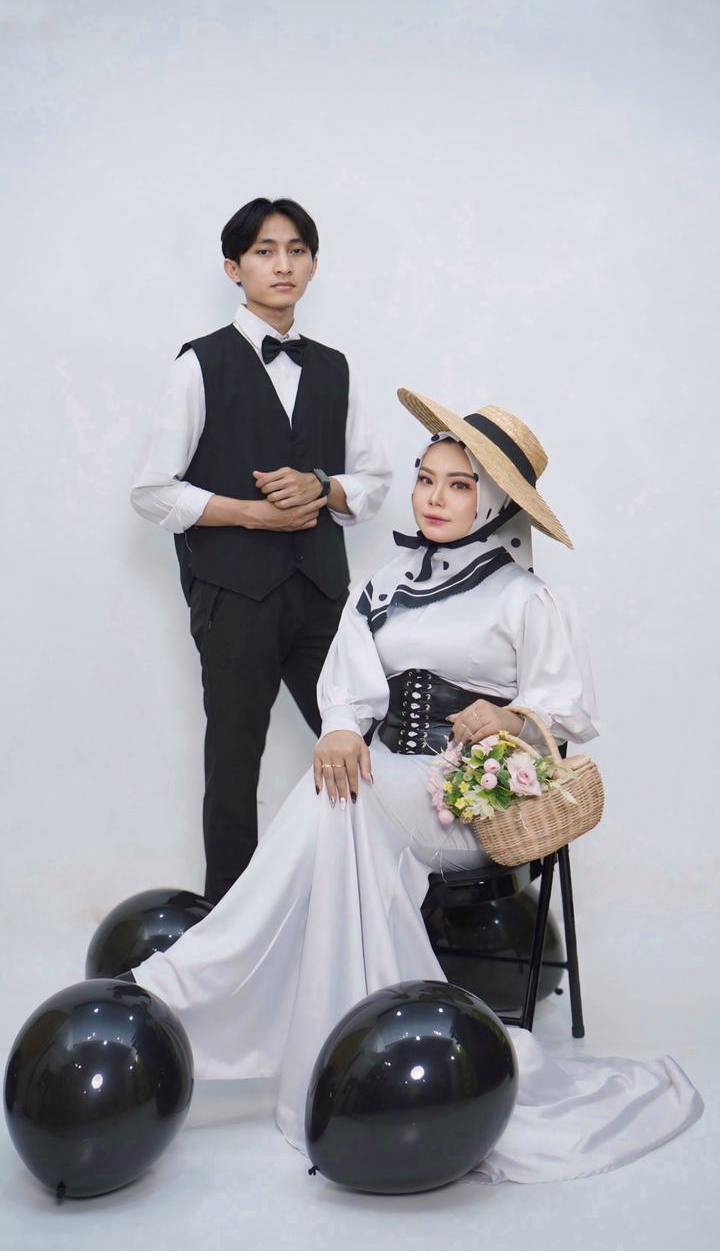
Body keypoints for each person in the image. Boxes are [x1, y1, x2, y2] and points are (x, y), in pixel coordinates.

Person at [131, 392, 701, 1183]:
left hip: (471, 804)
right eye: (426, 479)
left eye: (459, 485)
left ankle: (201, 978)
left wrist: (508, 715)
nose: (434, 498)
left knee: (345, 799)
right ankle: (316, 1027)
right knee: (343, 791)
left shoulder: (526, 597)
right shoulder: (386, 581)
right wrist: (338, 727)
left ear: (493, 501)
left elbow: (570, 708)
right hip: (385, 786)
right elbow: (348, 683)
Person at [130, 197, 391, 902]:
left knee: (366, 747)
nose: (283, 264)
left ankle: (374, 903)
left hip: (322, 595)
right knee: (234, 763)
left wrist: (323, 488)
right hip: (234, 596)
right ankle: (227, 920)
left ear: (313, 265)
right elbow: (152, 491)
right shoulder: (199, 363)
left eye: (297, 250)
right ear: (234, 267)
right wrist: (251, 515)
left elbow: (373, 482)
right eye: (265, 251)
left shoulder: (336, 368)